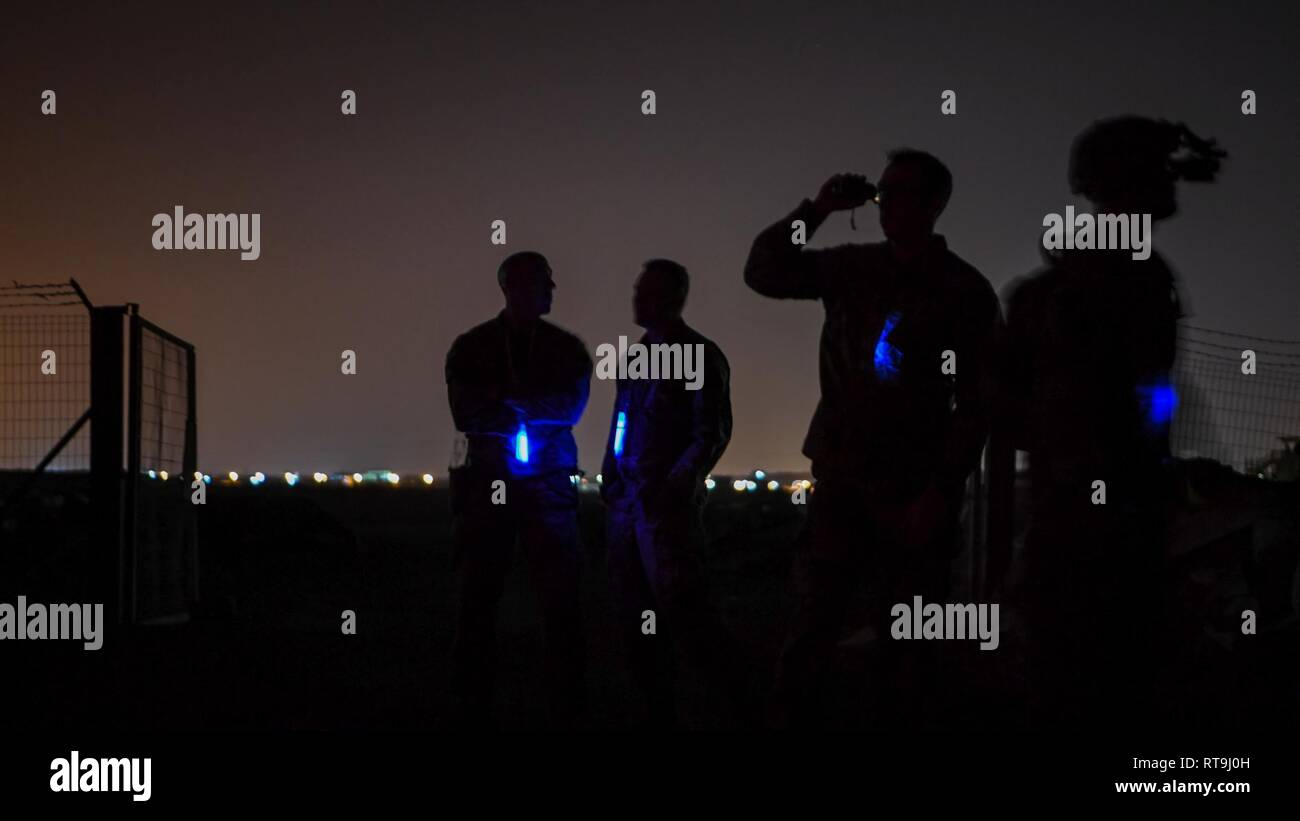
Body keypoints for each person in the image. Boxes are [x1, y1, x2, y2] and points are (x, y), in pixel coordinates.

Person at [744, 149, 1002, 728]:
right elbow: (764, 270)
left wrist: (939, 490)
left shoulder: (963, 290)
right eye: (885, 191)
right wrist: (818, 208)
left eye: (904, 192)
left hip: (913, 489)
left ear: (936, 204)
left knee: (907, 639)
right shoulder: (851, 268)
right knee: (813, 625)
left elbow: (978, 401)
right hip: (843, 479)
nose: (888, 202)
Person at [992, 117, 1226, 730]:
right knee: (1102, 671)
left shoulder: (1084, 283)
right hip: (1099, 520)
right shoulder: (1122, 283)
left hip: (1082, 509)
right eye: (1156, 172)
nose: (1169, 185)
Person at [444, 250, 593, 727]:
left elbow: (569, 407)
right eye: (543, 283)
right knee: (479, 598)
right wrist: (532, 406)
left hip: (538, 487)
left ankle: (561, 698)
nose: (552, 290)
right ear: (514, 288)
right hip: (497, 485)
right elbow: (466, 413)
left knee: (558, 600)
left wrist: (505, 402)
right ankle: (475, 697)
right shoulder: (473, 347)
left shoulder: (560, 349)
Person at [599, 259, 744, 727]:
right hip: (630, 508)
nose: (637, 297)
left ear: (672, 298)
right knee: (636, 615)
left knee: (686, 613)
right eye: (638, 288)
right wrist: (612, 473)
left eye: (647, 290)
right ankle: (656, 704)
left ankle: (731, 701)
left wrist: (675, 485)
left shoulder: (700, 357)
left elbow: (712, 431)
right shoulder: (636, 356)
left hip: (666, 513)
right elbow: (621, 419)